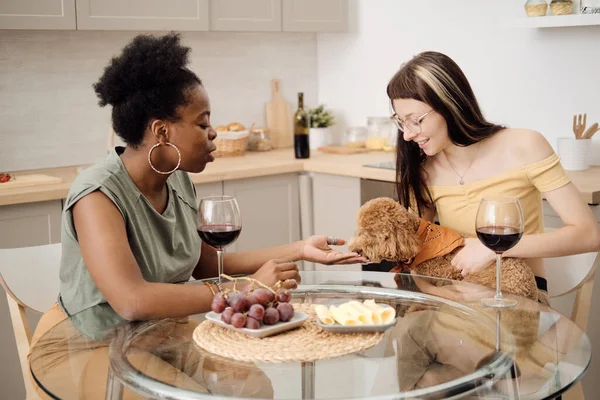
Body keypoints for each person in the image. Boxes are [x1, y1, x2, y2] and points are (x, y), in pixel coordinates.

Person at [28, 32, 365, 399]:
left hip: (160, 334)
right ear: (162, 131)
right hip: (94, 342)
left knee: (253, 389)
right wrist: (244, 290)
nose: (214, 132)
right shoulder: (97, 193)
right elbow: (131, 300)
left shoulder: (176, 180)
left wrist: (299, 248)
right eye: (203, 123)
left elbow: (206, 265)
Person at [386, 51, 600, 304]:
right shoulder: (424, 171)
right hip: (453, 297)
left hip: (519, 297)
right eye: (401, 122)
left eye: (416, 121)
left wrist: (491, 249)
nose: (408, 135)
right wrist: (446, 295)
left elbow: (588, 235)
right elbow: (416, 256)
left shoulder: (525, 145)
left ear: (450, 104)